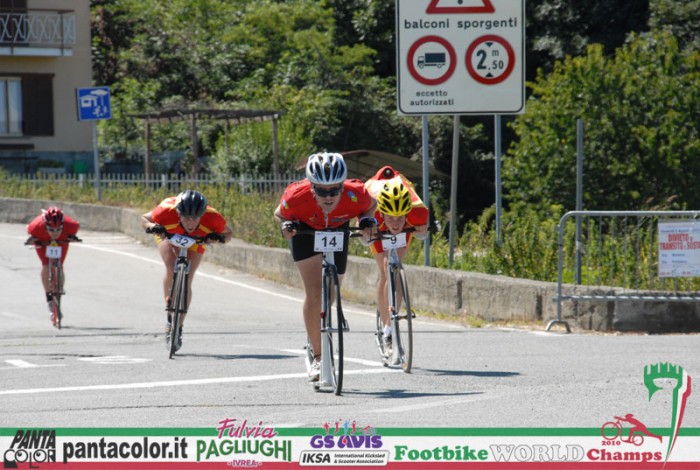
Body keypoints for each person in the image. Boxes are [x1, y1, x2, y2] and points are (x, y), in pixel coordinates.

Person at [273, 152, 378, 381]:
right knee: (314, 292)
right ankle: (318, 355)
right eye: (321, 191)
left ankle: (321, 325)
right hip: (305, 232)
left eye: (334, 190)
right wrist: (287, 226)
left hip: (338, 230)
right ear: (312, 187)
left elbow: (372, 205)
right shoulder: (296, 195)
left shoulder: (356, 192)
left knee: (330, 295)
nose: (328, 196)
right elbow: (279, 214)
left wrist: (366, 220)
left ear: (342, 185)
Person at [141, 189, 233, 351]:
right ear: (178, 213)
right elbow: (144, 218)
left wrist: (217, 238)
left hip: (197, 239)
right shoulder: (165, 211)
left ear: (202, 214)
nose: (190, 222)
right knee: (171, 267)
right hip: (169, 234)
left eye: (195, 218)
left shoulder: (213, 217)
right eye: (186, 217)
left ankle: (179, 325)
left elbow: (228, 234)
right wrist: (152, 226)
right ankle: (170, 316)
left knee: (188, 277)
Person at [365, 166, 429, 353]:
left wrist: (422, 231)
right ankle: (387, 329)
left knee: (395, 268)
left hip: (404, 232)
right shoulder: (372, 213)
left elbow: (423, 235)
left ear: (407, 214)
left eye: (400, 218)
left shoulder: (417, 212)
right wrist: (366, 231)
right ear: (383, 214)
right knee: (385, 270)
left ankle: (394, 318)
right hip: (378, 228)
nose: (395, 223)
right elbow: (362, 236)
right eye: (391, 218)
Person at [25, 207, 81, 318]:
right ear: (45, 226)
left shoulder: (71, 226)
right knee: (46, 265)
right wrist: (32, 240)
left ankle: (59, 289)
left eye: (58, 229)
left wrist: (72, 238)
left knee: (59, 264)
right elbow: (29, 232)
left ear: (63, 226)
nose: (55, 233)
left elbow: (74, 232)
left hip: (62, 241)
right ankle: (50, 300)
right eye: (51, 229)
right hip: (42, 239)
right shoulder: (36, 227)